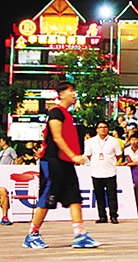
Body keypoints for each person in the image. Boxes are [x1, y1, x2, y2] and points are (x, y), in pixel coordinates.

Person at [23, 81, 100, 249]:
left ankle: (80, 235)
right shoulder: (56, 113)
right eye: (71, 90)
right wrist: (73, 156)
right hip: (52, 161)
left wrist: (73, 157)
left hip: (66, 162)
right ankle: (32, 235)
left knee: (74, 197)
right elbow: (57, 138)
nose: (74, 94)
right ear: (62, 94)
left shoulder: (68, 115)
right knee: (47, 197)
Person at [84, 120, 123, 224]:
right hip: (96, 172)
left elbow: (118, 155)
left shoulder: (114, 141)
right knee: (99, 196)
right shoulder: (90, 142)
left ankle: (113, 216)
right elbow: (88, 155)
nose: (103, 129)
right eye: (100, 127)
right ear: (97, 130)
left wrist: (111, 162)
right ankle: (102, 216)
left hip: (110, 172)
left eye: (105, 127)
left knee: (112, 196)